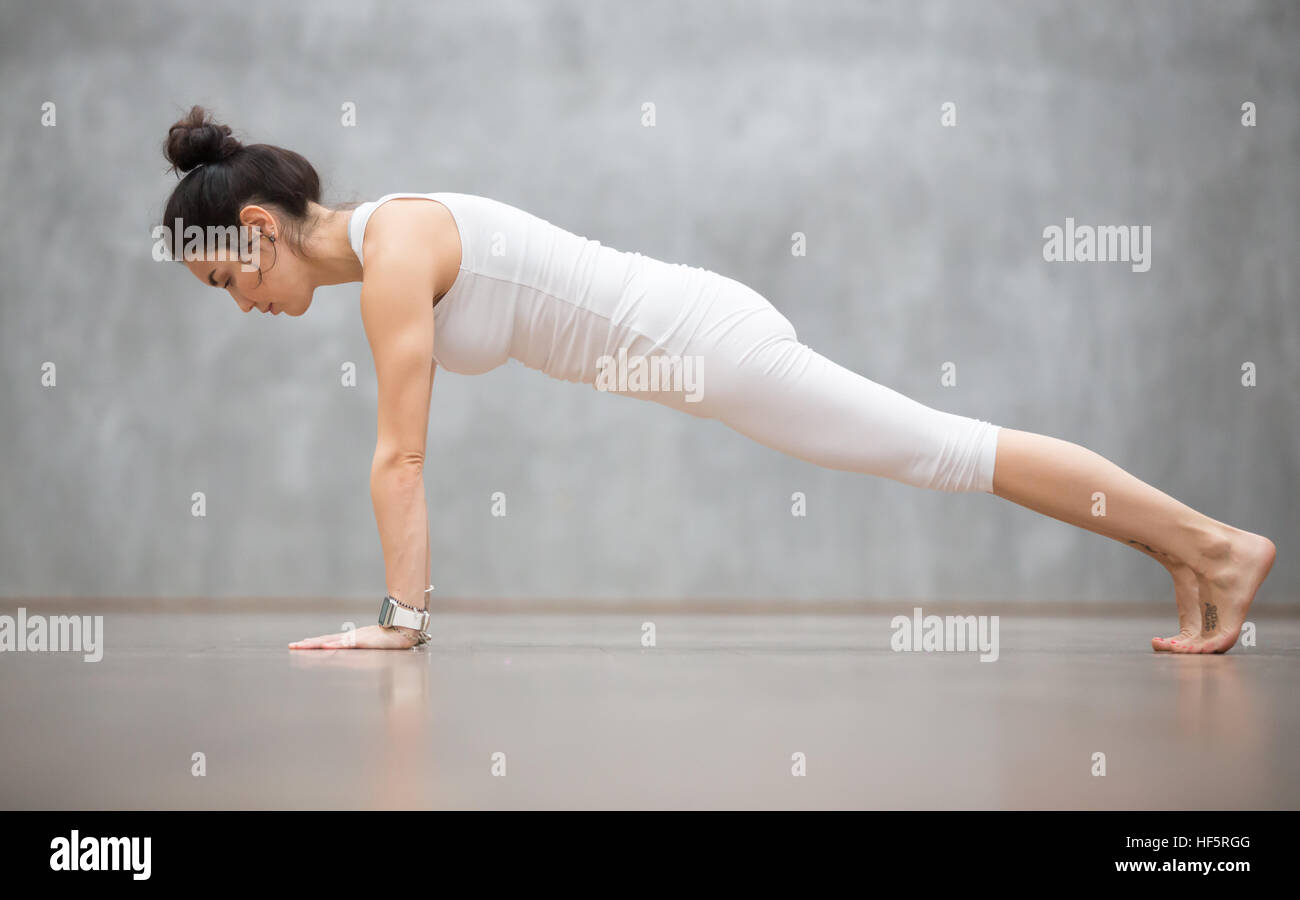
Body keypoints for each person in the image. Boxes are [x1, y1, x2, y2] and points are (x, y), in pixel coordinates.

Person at [159, 106, 1274, 654]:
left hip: (714, 345)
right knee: (944, 451)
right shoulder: (392, 245)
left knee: (946, 451)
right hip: (703, 338)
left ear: (257, 229)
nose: (242, 309)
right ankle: (1187, 560)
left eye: (226, 283)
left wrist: (401, 623)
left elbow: (399, 457)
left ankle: (1219, 546)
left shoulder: (394, 254)